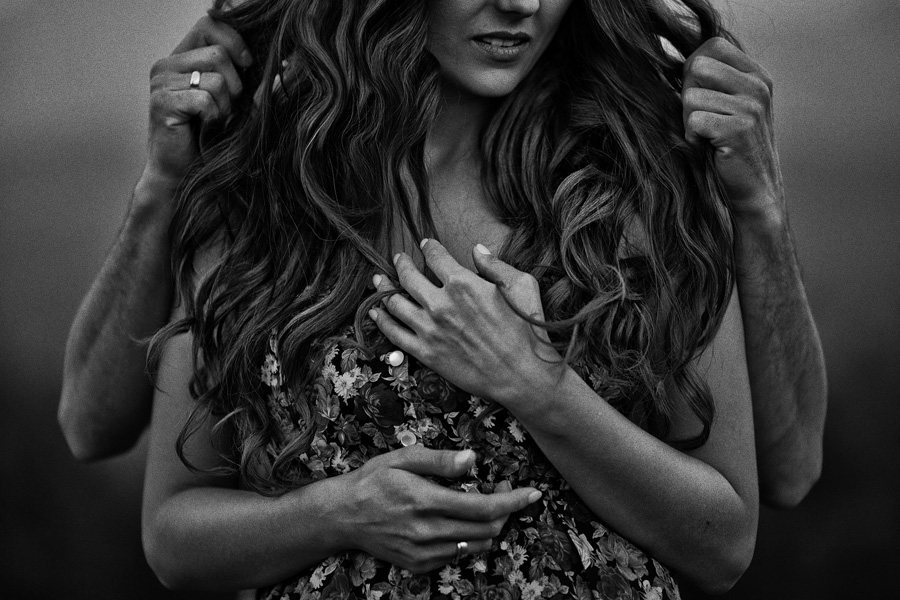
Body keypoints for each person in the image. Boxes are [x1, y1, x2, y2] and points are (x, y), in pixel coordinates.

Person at [57, 0, 824, 594]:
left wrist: (541, 389)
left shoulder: (636, 190)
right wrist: (335, 512)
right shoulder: (268, 199)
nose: (521, 4)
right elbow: (171, 534)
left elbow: (728, 543)